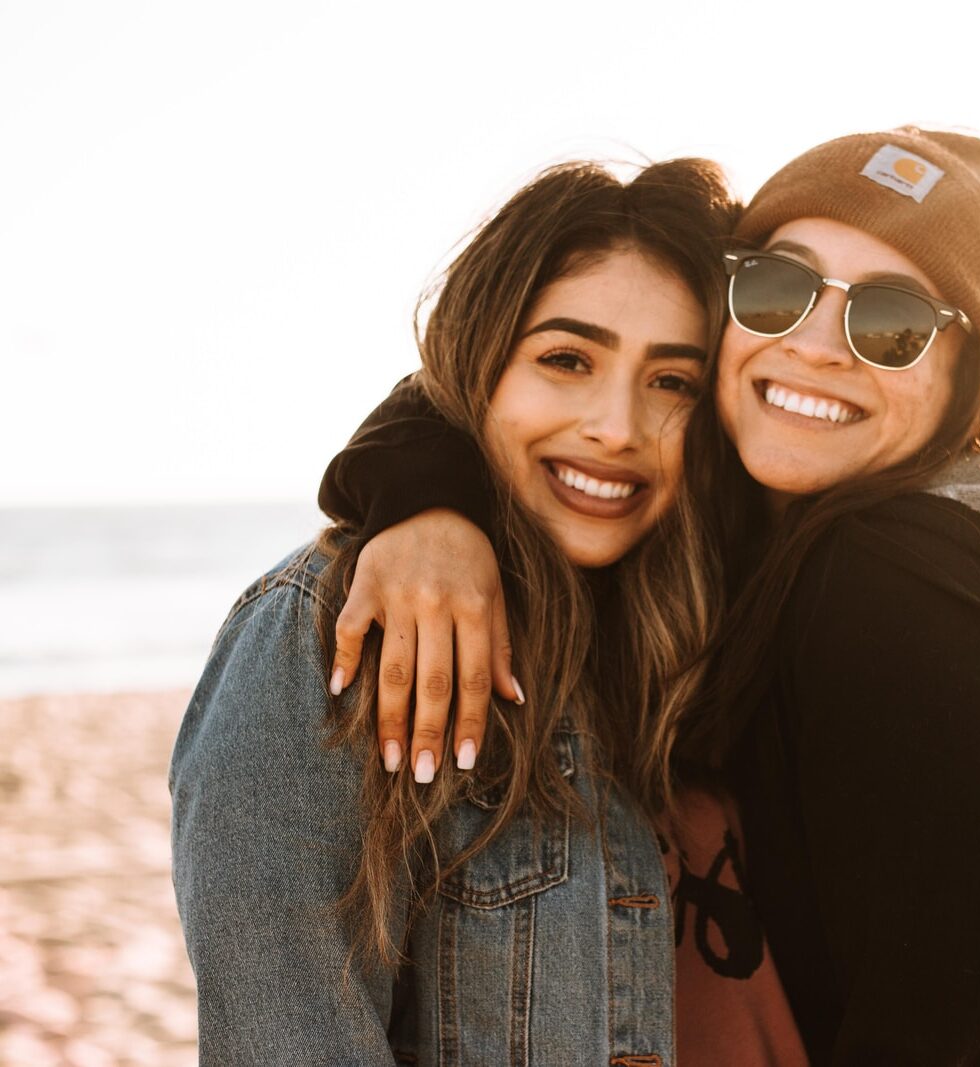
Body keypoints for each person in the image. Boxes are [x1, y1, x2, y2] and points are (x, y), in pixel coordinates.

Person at [315, 128, 980, 1064]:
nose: (815, 346)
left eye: (892, 323)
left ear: (968, 381)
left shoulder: (918, 593)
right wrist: (431, 502)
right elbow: (498, 362)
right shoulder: (756, 503)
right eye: (777, 288)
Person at [169, 158, 810, 1065]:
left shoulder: (698, 628)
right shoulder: (332, 631)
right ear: (480, 364)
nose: (618, 427)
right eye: (566, 360)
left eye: (673, 381)